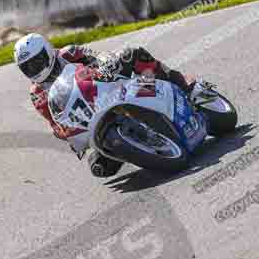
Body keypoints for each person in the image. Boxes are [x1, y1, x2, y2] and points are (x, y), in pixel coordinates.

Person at [13, 33, 193, 177]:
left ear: (48, 51)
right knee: (99, 167)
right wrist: (63, 133)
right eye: (27, 67)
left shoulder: (69, 53)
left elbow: (100, 56)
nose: (34, 69)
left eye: (36, 62)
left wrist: (105, 65)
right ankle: (128, 143)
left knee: (133, 53)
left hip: (108, 87)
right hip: (91, 123)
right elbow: (54, 123)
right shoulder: (37, 95)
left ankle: (184, 85)